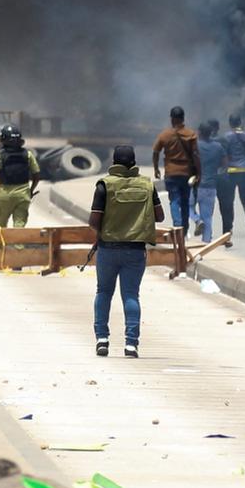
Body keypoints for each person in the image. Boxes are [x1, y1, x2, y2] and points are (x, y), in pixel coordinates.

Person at [88, 145, 164, 359]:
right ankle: (131, 344)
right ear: (133, 162)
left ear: (114, 162)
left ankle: (102, 339)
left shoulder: (104, 185)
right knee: (131, 295)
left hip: (108, 249)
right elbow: (159, 216)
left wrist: (106, 231)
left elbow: (94, 221)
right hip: (135, 250)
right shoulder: (147, 185)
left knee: (103, 292)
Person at [152, 107, 200, 238]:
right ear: (183, 118)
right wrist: (199, 173)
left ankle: (177, 225)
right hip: (186, 174)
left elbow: (156, 151)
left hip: (171, 173)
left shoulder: (165, 135)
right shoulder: (191, 134)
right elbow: (195, 155)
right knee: (185, 201)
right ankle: (184, 228)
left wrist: (156, 168)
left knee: (174, 200)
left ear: (172, 119)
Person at [0, 124, 40, 228]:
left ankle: (0, 245)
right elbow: (36, 175)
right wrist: (31, 191)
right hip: (23, 195)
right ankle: (18, 244)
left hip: (6, 195)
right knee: (19, 226)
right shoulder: (28, 154)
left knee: (0, 226)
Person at [223, 114, 245, 236]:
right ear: (240, 122)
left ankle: (229, 226)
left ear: (230, 123)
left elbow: (225, 155)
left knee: (229, 199)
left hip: (231, 171)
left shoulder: (226, 137)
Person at [194, 119, 225, 243]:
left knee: (188, 206)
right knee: (207, 216)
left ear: (199, 132)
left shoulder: (194, 145)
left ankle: (196, 220)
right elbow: (224, 164)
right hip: (211, 186)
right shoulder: (218, 147)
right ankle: (206, 242)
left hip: (196, 185)